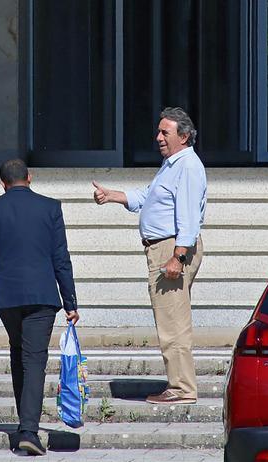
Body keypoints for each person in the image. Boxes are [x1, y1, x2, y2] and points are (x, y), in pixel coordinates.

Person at [0, 158, 79, 456]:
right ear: (30, 177)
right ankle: (28, 430)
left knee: (19, 352)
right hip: (41, 295)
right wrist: (70, 301)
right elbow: (60, 258)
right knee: (34, 358)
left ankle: (24, 425)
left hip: (7, 297)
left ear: (3, 183)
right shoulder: (50, 207)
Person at [92, 107, 206, 405]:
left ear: (183, 136)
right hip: (164, 247)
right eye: (158, 131)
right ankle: (179, 384)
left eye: (164, 132)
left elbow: (189, 217)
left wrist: (177, 258)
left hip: (172, 249)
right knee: (169, 318)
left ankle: (182, 389)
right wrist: (113, 195)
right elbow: (147, 196)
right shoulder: (172, 164)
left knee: (173, 322)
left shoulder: (188, 166)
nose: (158, 138)